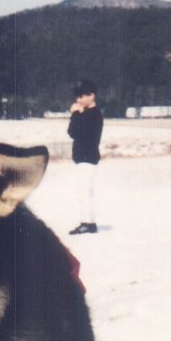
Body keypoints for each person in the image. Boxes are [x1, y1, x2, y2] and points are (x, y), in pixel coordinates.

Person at [67, 79, 104, 235]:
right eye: (77, 97)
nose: (78, 100)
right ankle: (87, 221)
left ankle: (88, 223)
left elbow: (78, 133)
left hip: (88, 157)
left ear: (92, 96)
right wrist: (76, 115)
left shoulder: (95, 115)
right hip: (82, 158)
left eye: (82, 96)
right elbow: (71, 132)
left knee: (85, 191)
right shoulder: (85, 114)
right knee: (83, 190)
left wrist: (76, 114)